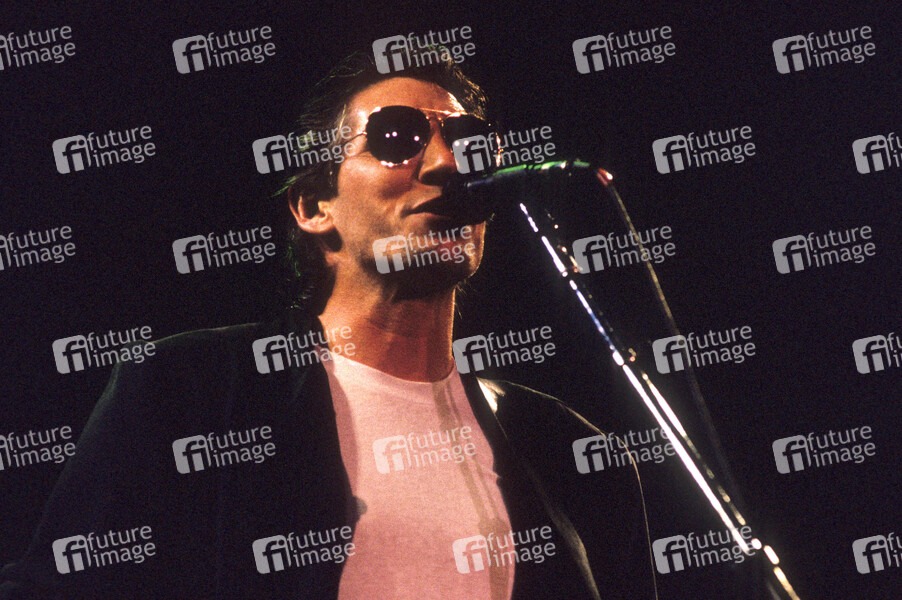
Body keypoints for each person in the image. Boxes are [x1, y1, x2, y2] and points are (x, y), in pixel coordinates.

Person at [0, 47, 657, 600]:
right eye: (396, 138)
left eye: (468, 143)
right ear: (314, 205)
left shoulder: (563, 446)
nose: (446, 164)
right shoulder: (189, 389)